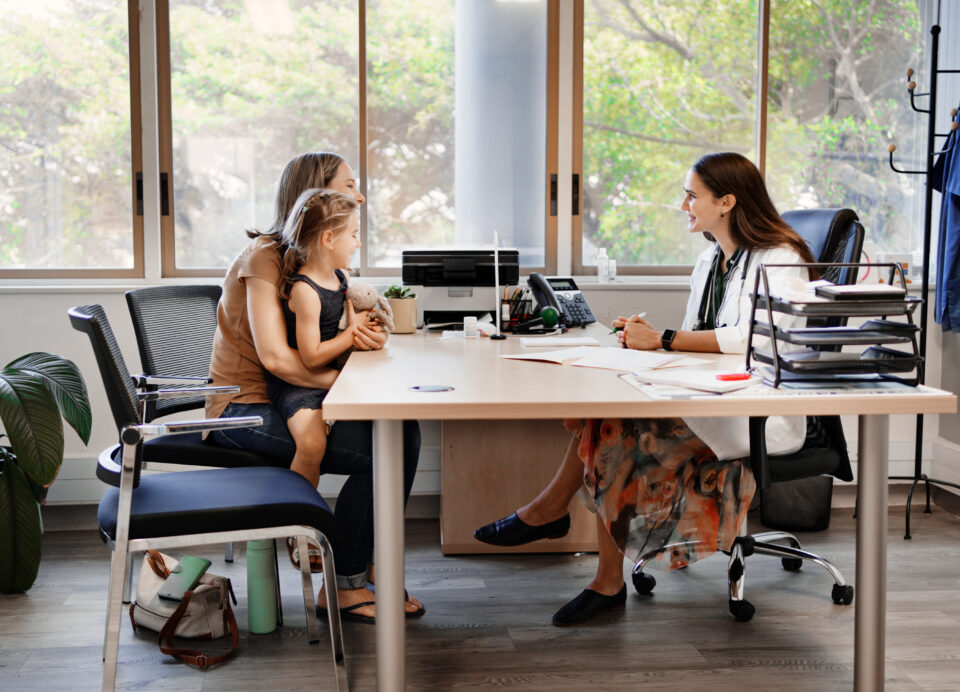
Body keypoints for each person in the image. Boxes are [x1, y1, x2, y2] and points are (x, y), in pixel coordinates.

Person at [474, 152, 816, 626]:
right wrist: (646, 341)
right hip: (709, 394)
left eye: (692, 196)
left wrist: (664, 340)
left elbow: (754, 339)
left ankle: (564, 530)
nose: (683, 205)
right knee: (604, 411)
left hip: (757, 410)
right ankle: (570, 538)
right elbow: (699, 337)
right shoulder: (710, 261)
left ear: (727, 202)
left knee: (612, 426)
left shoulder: (781, 258)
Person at [207, 151, 424, 623]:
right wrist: (346, 386)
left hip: (289, 396)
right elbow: (277, 360)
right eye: (349, 186)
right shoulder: (264, 257)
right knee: (383, 446)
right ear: (317, 194)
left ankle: (366, 565)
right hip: (245, 407)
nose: (359, 197)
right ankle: (345, 584)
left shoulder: (312, 260)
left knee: (402, 430)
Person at [264, 187, 364, 488]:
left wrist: (364, 331)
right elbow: (311, 356)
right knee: (311, 444)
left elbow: (351, 324)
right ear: (328, 239)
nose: (358, 243)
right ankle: (299, 513)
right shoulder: (305, 291)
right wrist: (351, 335)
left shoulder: (341, 278)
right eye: (353, 235)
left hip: (330, 376)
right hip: (299, 384)